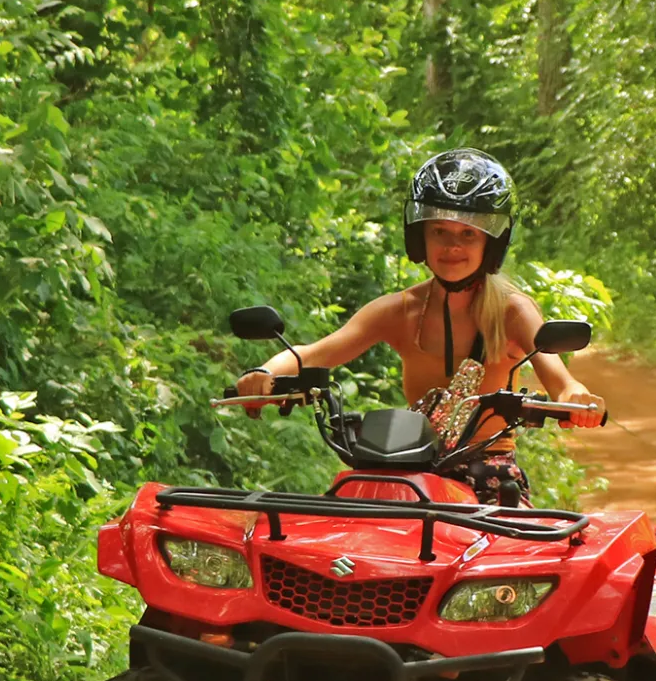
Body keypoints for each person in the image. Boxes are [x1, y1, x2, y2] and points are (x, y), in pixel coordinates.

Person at [234, 149, 603, 505]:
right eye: (439, 231)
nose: (451, 246)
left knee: (516, 559)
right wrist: (265, 373)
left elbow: (560, 380)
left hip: (488, 472)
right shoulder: (401, 311)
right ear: (419, 236)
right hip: (407, 470)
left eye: (468, 234)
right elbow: (314, 354)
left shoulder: (511, 312)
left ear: (492, 242)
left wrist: (574, 398)